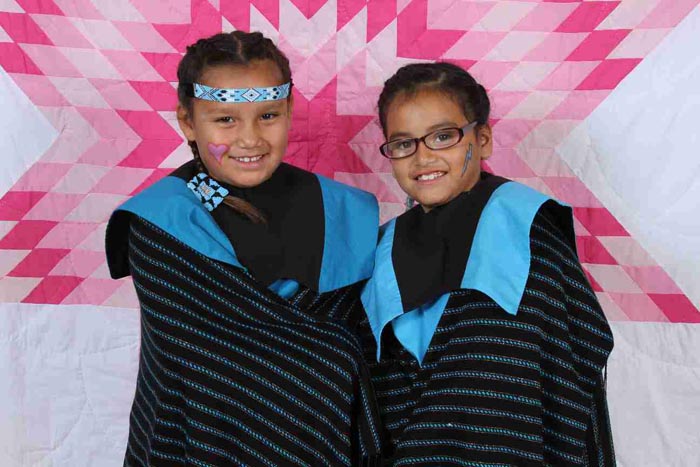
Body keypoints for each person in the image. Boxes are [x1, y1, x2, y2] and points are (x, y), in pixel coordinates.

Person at [105, 31, 383, 466]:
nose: (250, 139)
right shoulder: (162, 220)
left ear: (290, 110)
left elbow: (368, 348)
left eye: (268, 115)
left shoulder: (345, 211)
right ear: (188, 121)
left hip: (321, 445)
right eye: (225, 120)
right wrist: (336, 355)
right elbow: (214, 363)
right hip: (194, 444)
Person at [355, 62, 615, 465]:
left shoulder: (525, 232)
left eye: (444, 136)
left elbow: (554, 369)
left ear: (484, 138)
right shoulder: (383, 245)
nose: (423, 157)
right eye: (404, 143)